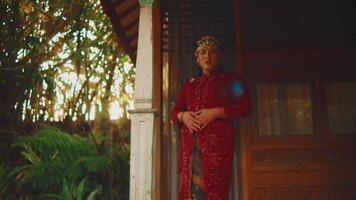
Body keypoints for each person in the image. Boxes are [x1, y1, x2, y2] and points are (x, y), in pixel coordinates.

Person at [171, 36, 251, 200]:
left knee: (215, 191)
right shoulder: (189, 85)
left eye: (213, 52)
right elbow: (175, 112)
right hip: (191, 149)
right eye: (203, 53)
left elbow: (245, 106)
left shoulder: (232, 80)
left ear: (220, 57)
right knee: (190, 193)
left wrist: (215, 113)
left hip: (218, 149)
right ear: (197, 59)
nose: (207, 57)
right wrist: (183, 116)